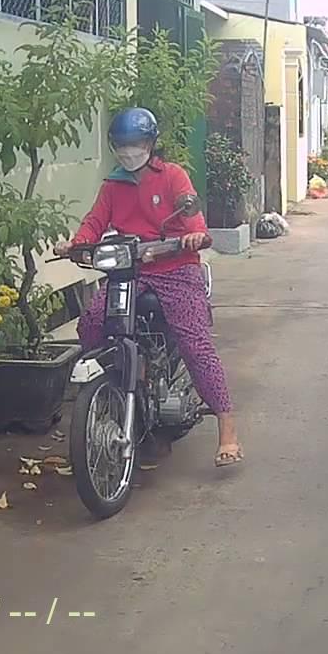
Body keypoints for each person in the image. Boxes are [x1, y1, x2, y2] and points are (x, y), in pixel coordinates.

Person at [54, 108, 244, 468]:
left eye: (136, 143)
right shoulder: (113, 185)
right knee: (92, 322)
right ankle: (117, 388)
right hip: (130, 270)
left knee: (195, 345)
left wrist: (194, 235)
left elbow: (193, 218)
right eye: (122, 144)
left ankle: (227, 426)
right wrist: (76, 244)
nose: (129, 151)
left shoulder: (172, 176)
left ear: (151, 143)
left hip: (176, 268)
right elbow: (95, 222)